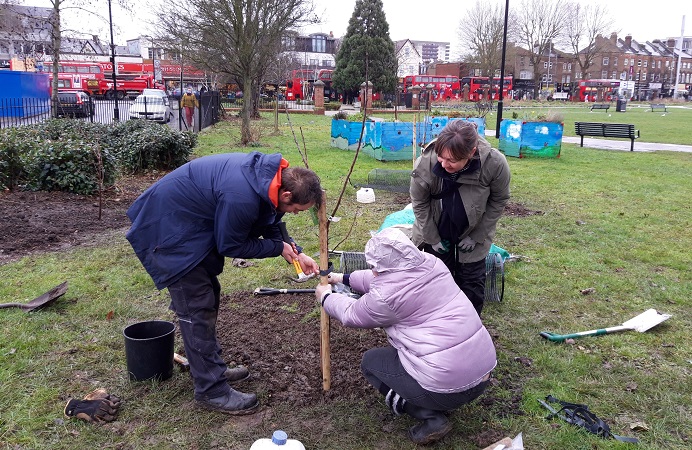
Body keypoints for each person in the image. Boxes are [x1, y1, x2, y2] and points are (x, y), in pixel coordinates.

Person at [126, 151, 323, 415]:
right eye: (297, 209)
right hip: (168, 229)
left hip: (194, 224)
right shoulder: (241, 195)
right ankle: (211, 390)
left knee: (207, 295)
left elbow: (269, 216)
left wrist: (293, 249)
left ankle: (212, 369)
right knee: (197, 305)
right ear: (287, 194)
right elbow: (230, 243)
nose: (295, 214)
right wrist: (276, 247)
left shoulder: (268, 179)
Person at [315, 228, 496, 445]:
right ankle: (441, 398)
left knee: (371, 363)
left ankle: (431, 417)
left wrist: (325, 297)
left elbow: (352, 314)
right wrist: (344, 278)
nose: (372, 272)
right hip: (483, 373)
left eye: (374, 267)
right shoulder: (431, 264)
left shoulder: (386, 297)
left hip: (447, 386)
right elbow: (387, 280)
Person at [410, 120, 510, 317]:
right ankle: (437, 326)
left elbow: (499, 200)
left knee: (471, 282)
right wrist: (432, 238)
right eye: (441, 158)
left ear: (471, 153)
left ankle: (468, 328)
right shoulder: (426, 162)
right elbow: (419, 202)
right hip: (437, 226)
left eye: (452, 161)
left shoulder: (494, 163)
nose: (444, 164)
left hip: (474, 228)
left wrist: (478, 236)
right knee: (436, 280)